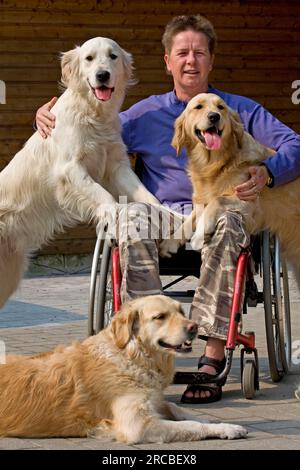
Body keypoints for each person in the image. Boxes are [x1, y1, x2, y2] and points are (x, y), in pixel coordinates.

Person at [35, 15, 300, 404]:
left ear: (210, 60)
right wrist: (50, 118)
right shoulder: (143, 115)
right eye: (182, 53)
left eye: (199, 53)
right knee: (132, 216)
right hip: (164, 215)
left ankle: (211, 356)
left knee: (227, 218)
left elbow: (295, 145)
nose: (191, 60)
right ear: (168, 61)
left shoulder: (238, 109)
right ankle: (147, 351)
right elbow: (88, 133)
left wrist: (268, 173)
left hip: (222, 211)